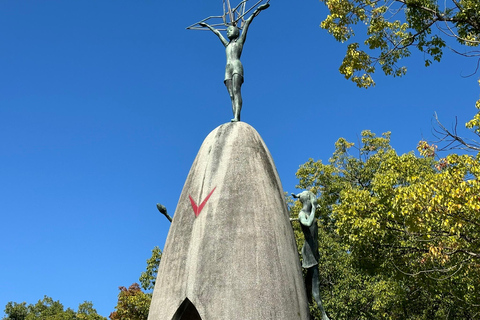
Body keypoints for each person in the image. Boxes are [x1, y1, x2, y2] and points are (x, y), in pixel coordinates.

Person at [199, 3, 269, 122]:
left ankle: (237, 116)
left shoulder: (240, 42)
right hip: (227, 69)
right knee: (231, 95)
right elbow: (217, 33)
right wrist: (207, 26)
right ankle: (236, 116)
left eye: (230, 30)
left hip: (237, 67)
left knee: (236, 91)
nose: (227, 32)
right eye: (227, 31)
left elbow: (247, 23)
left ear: (236, 31)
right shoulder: (227, 45)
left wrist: (257, 9)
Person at [291, 191, 330, 320]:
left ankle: (307, 297)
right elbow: (307, 223)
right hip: (308, 253)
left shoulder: (306, 214)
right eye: (313, 198)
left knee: (310, 281)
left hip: (314, 252)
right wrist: (314, 208)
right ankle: (323, 314)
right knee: (315, 283)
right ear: (309, 199)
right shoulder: (303, 214)